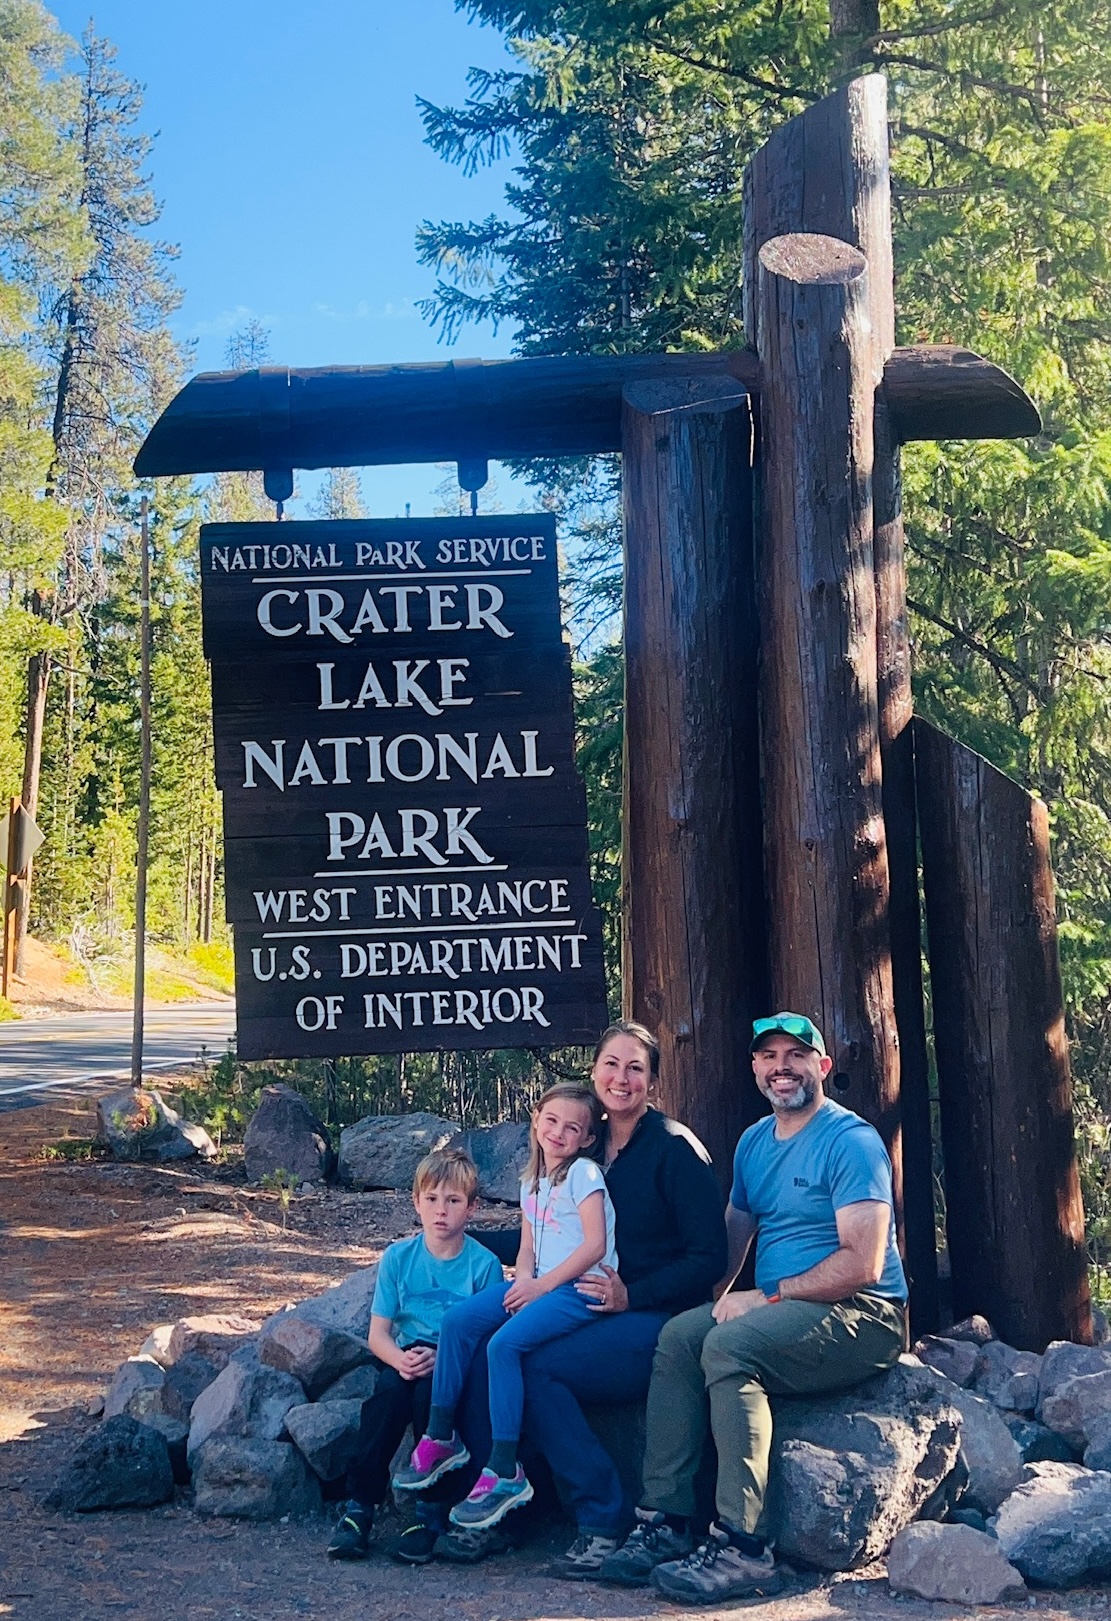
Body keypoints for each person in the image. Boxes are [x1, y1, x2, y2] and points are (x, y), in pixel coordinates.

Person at [598, 1012, 907, 1604]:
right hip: (784, 1311)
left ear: (823, 1067)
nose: (781, 1067)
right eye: (768, 1057)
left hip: (863, 1313)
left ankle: (745, 1546)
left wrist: (762, 1298)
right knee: (680, 1337)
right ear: (756, 1070)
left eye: (795, 1055)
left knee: (729, 1345)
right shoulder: (754, 1142)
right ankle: (664, 1520)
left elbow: (862, 1265)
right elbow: (731, 1242)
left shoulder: (851, 1141)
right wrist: (706, 1301)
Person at [432, 1021, 728, 1578]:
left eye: (635, 1068)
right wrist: (455, 1236)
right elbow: (544, 1233)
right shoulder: (581, 1144)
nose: (621, 1078)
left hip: (651, 1319)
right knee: (482, 1345)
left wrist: (631, 1294)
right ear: (594, 1071)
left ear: (652, 1082)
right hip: (578, 1302)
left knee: (534, 1364)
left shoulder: (673, 1150)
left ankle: (601, 1520)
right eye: (611, 1065)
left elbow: (707, 1259)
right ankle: (491, 1507)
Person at [393, 1082, 618, 1533]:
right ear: (535, 1120)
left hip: (579, 1289)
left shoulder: (584, 1176)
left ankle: (504, 1468)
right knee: (459, 1321)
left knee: (504, 1346)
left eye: (572, 1128)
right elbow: (528, 1247)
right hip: (544, 1284)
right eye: (551, 1121)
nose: (558, 1133)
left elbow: (595, 1245)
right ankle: (441, 1436)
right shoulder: (532, 1182)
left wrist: (542, 1287)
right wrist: (526, 1279)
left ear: (587, 1139)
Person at [325, 1145, 503, 1565]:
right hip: (404, 1357)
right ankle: (359, 1508)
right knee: (385, 1402)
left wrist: (444, 1362)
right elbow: (378, 1334)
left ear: (473, 1208)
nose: (442, 1210)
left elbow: (486, 1340)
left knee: (431, 1404)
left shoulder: (485, 1265)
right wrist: (399, 1360)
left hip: (455, 1362)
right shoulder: (399, 1258)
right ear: (416, 1202)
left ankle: (428, 1513)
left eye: (454, 1200)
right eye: (432, 1199)